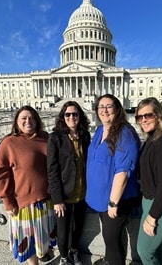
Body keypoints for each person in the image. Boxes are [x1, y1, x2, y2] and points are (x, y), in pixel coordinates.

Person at [0, 105, 55, 265]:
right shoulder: (9, 143)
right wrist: (7, 200)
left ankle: (44, 256)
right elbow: (0, 174)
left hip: (46, 200)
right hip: (23, 204)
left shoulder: (45, 137)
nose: (29, 121)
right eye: (24, 118)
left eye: (32, 118)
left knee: (43, 239)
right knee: (29, 244)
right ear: (17, 122)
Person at [86, 94, 140, 265]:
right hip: (100, 198)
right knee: (109, 237)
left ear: (117, 109)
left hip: (116, 199)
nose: (105, 110)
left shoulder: (125, 134)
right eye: (101, 107)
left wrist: (113, 202)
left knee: (112, 240)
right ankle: (109, 260)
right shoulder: (101, 130)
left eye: (109, 106)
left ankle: (114, 261)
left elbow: (123, 172)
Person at [135, 97, 162, 265]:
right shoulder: (151, 139)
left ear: (159, 116)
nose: (143, 120)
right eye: (139, 117)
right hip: (150, 200)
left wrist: (152, 217)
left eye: (148, 115)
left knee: (145, 250)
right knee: (159, 248)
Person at [47, 101, 91, 265]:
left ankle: (74, 252)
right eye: (68, 114)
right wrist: (57, 199)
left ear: (80, 116)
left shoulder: (84, 135)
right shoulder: (55, 137)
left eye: (75, 114)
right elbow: (52, 170)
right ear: (63, 117)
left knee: (78, 227)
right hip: (63, 195)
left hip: (82, 192)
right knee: (63, 231)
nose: (71, 117)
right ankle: (64, 257)